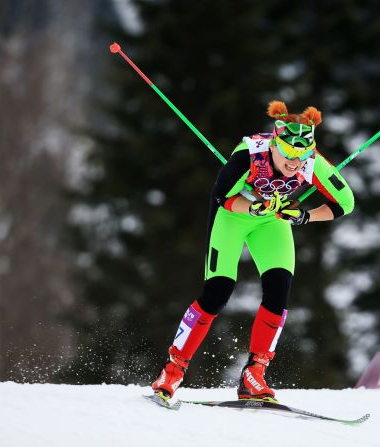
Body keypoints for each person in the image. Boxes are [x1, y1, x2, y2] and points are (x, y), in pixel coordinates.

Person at [151, 100, 355, 402]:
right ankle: (173, 370)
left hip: (271, 222)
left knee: (279, 290)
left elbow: (345, 203)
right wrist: (254, 207)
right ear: (275, 145)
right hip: (233, 216)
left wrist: (304, 215)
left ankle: (254, 374)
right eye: (288, 155)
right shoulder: (249, 154)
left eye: (301, 158)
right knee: (217, 292)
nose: (295, 164)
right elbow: (222, 196)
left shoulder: (311, 161)